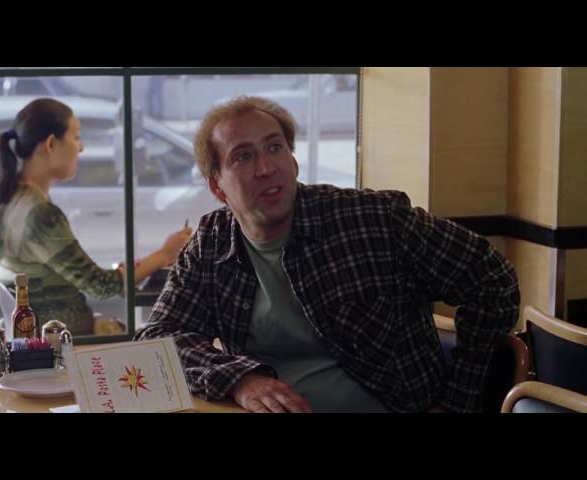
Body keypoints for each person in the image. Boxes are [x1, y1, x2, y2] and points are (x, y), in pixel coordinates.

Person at [134, 96, 520, 413]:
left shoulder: (374, 219)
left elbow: (493, 282)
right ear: (218, 187)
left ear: (293, 161)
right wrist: (240, 380)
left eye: (274, 147)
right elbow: (158, 341)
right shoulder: (211, 242)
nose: (266, 168)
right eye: (243, 156)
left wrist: (457, 403)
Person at [0, 98, 192, 335]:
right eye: (76, 137)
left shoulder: (9, 198)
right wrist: (165, 254)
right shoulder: (40, 213)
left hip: (37, 334)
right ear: (51, 144)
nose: (81, 148)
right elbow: (102, 287)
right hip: (62, 339)